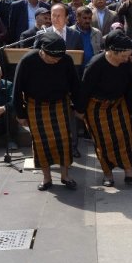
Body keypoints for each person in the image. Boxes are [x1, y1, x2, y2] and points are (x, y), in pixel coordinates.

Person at [75, 30, 132, 187]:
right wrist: (80, 110)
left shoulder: (126, 64)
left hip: (118, 105)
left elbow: (131, 87)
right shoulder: (95, 64)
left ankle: (129, 173)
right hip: (97, 107)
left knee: (125, 138)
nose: (127, 59)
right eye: (124, 56)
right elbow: (84, 88)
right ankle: (108, 175)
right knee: (103, 141)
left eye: (128, 55)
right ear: (113, 51)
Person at [13, 32, 79, 190]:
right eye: (53, 58)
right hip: (35, 106)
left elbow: (75, 85)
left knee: (64, 141)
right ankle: (47, 178)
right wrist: (20, 114)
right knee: (41, 143)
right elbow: (17, 89)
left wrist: (79, 106)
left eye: (59, 58)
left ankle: (65, 176)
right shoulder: (28, 60)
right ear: (42, 51)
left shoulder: (65, 59)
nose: (57, 61)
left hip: (59, 104)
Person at [70, 6, 102, 74]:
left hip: (93, 71)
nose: (87, 21)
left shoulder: (97, 33)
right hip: (74, 71)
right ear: (77, 18)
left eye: (89, 18)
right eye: (84, 18)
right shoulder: (70, 32)